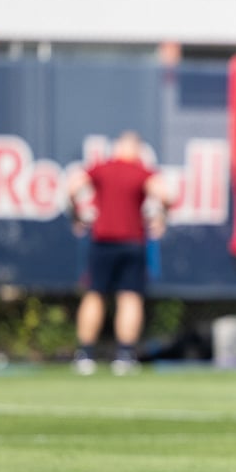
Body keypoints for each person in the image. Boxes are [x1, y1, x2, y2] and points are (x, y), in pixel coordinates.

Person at [65, 131, 173, 376]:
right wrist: (161, 218)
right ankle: (124, 356)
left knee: (95, 295)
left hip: (102, 242)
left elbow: (72, 187)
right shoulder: (141, 172)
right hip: (132, 243)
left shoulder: (102, 168)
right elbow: (166, 195)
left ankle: (86, 355)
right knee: (129, 297)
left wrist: (76, 215)